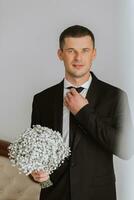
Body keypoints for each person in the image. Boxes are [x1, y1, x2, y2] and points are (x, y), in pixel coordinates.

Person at [30, 25, 133, 200]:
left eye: (85, 50)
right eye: (71, 50)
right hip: (54, 194)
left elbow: (126, 149)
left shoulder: (115, 97)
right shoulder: (42, 99)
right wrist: (35, 172)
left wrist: (83, 112)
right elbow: (36, 152)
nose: (78, 57)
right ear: (60, 54)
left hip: (97, 194)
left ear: (94, 53)